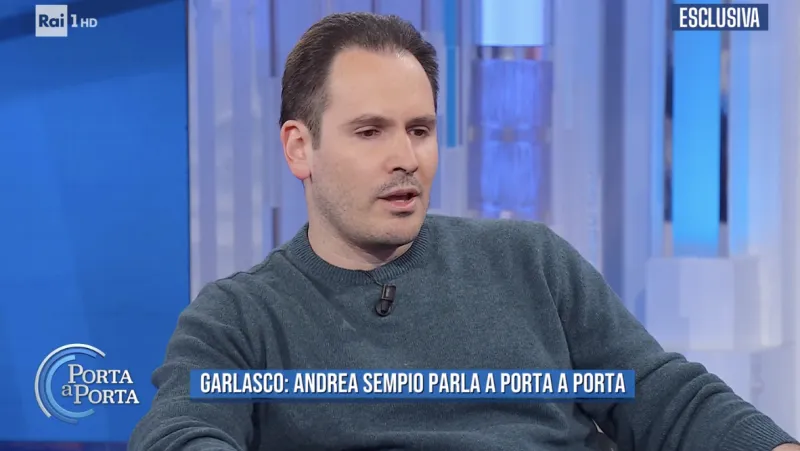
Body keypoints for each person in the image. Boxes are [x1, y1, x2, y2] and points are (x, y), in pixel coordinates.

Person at [129, 12, 799, 451]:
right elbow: (180, 432)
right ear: (300, 148)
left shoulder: (530, 261)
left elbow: (665, 396)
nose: (405, 157)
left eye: (420, 130)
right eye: (370, 132)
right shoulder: (240, 317)